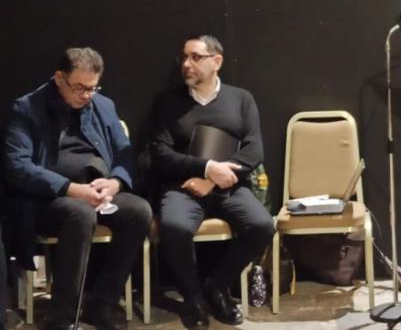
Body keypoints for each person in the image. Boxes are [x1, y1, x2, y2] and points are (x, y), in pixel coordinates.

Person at [1, 48, 152, 330]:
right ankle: (62, 317)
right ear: (60, 78)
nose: (86, 95)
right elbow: (17, 165)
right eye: (79, 88)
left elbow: (125, 154)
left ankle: (102, 303)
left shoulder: (103, 105)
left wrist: (115, 182)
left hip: (97, 190)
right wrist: (70, 188)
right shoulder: (27, 108)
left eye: (93, 88)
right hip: (49, 197)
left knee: (139, 211)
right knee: (80, 214)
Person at [150, 34, 274, 328]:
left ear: (216, 61)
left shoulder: (241, 99)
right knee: (175, 228)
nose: (186, 64)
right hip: (182, 188)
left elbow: (253, 150)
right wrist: (206, 167)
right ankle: (193, 298)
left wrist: (213, 180)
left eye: (195, 57)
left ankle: (217, 286)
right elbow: (160, 154)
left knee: (262, 226)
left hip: (230, 187)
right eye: (184, 57)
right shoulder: (167, 103)